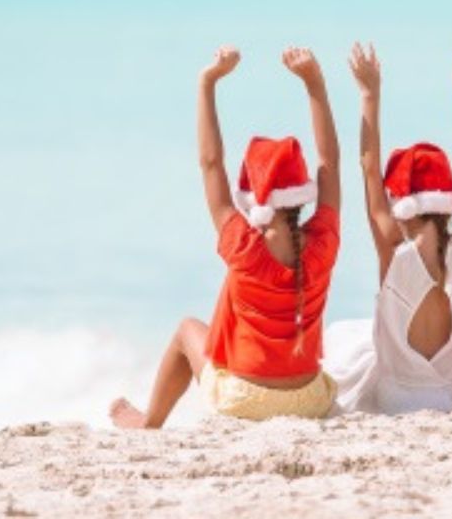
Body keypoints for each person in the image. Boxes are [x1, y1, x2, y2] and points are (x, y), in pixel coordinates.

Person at [108, 45, 342, 427]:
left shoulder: (242, 244)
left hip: (246, 399)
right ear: (301, 192)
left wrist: (208, 82)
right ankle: (149, 420)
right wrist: (315, 84)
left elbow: (210, 162)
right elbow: (330, 163)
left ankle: (149, 422)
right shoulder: (323, 242)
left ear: (251, 194)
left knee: (187, 329)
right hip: (309, 399)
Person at [323, 44, 452, 414]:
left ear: (402, 205)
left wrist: (369, 93)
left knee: (339, 341)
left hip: (397, 399)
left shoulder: (393, 250)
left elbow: (368, 166)